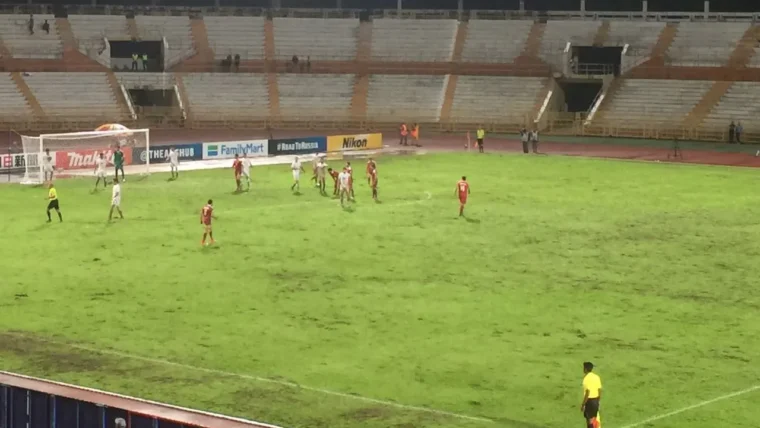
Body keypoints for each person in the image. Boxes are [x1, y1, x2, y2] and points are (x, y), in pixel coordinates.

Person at [581, 362, 602, 428]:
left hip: (589, 402)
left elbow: (587, 392)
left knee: (589, 421)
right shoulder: (597, 377)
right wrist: (598, 401)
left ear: (585, 369)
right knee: (594, 420)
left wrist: (583, 404)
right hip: (596, 400)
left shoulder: (586, 379)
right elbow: (599, 390)